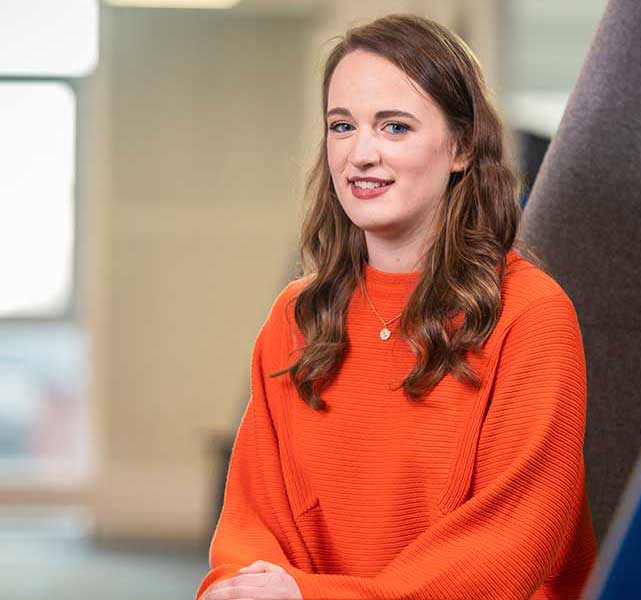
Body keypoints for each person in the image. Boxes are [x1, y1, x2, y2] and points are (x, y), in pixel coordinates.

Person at [197, 13, 596, 600]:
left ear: (460, 148)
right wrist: (236, 585)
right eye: (342, 125)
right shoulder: (296, 317)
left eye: (394, 127)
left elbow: (509, 548)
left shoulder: (532, 315)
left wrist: (314, 598)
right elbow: (252, 521)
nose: (360, 153)